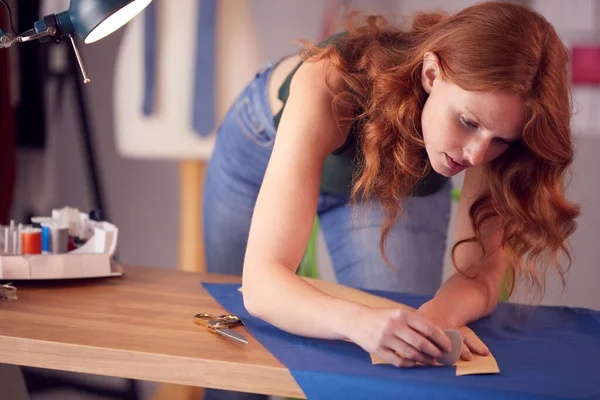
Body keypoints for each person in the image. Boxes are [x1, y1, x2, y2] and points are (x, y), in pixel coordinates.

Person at [202, 1, 579, 397]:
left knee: (403, 363)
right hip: (263, 146)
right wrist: (359, 322)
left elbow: (480, 274)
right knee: (235, 340)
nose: (475, 156)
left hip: (388, 178)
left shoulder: (492, 131)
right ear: (432, 74)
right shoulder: (329, 82)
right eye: (467, 122)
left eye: (501, 140)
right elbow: (261, 286)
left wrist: (434, 320)